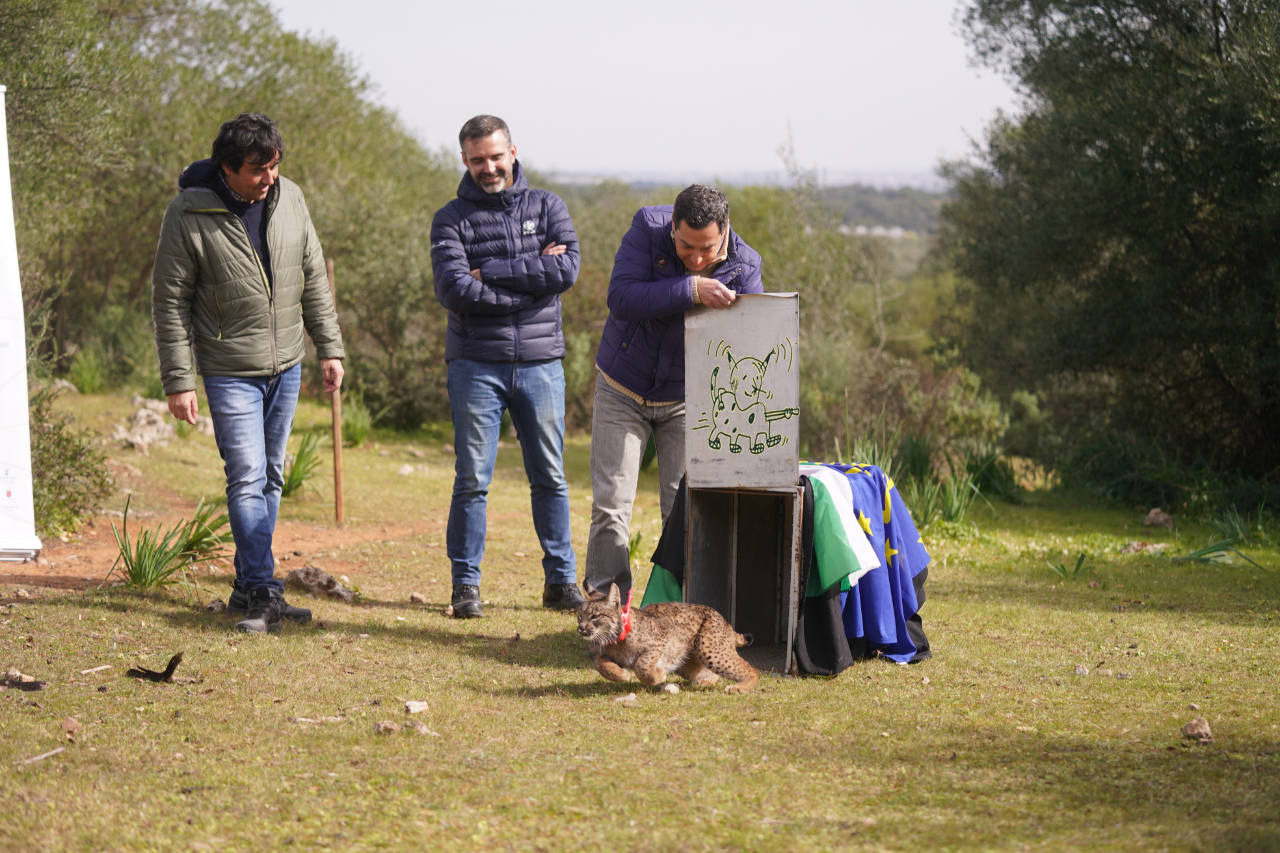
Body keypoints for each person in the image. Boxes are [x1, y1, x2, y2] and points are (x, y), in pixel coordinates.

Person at [152, 112, 345, 634]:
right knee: (247, 477)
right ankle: (263, 588)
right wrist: (178, 379)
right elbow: (170, 303)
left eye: (276, 166)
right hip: (228, 368)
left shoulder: (291, 198)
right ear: (227, 167)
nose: (270, 178)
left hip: (286, 366)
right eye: (258, 169)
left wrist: (330, 349)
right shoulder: (188, 213)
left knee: (273, 476)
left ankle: (245, 586)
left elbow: (313, 276)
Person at [429, 115, 582, 618]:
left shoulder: (549, 205)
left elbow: (566, 269)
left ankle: (561, 582)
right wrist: (530, 287)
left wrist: (490, 272)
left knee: (552, 478)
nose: (488, 167)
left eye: (496, 156)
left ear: (513, 151)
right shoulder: (450, 219)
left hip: (541, 363)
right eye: (477, 159)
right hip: (476, 364)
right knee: (472, 479)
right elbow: (454, 289)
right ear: (465, 160)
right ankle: (465, 587)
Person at [585, 184, 764, 597]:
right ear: (672, 227)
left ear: (725, 231)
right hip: (621, 386)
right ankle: (605, 606)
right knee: (612, 504)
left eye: (707, 248)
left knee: (683, 510)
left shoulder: (746, 265)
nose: (696, 258)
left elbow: (750, 341)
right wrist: (691, 289)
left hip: (688, 400)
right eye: (686, 247)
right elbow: (621, 297)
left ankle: (681, 607)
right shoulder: (646, 227)